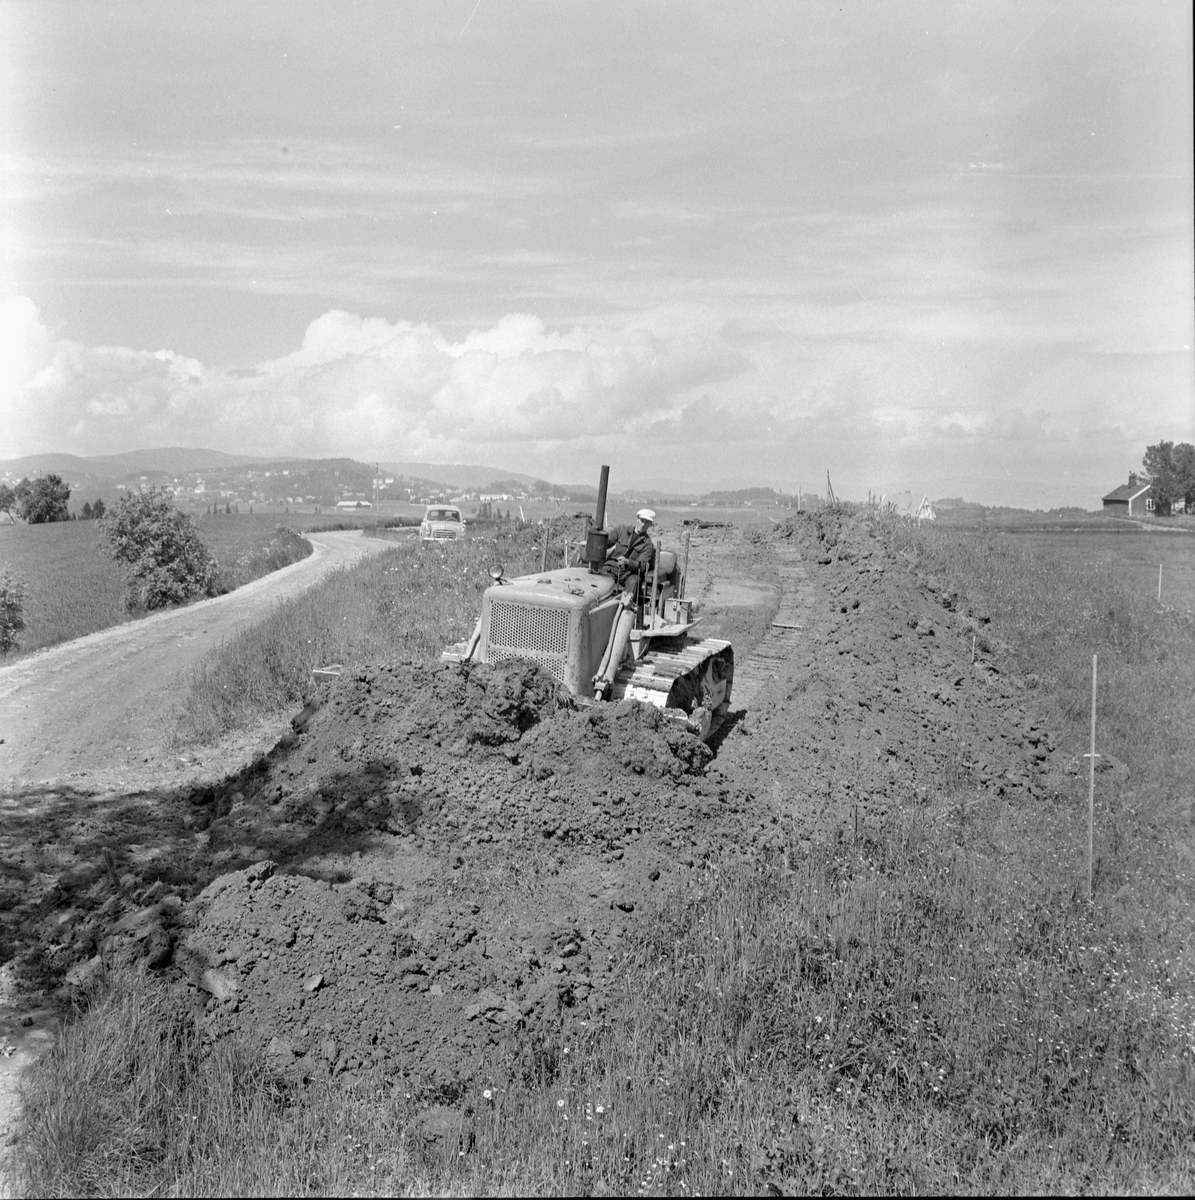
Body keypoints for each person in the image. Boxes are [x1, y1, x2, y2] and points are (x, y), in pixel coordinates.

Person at [599, 509, 656, 597]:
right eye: (642, 521)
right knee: (600, 576)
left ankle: (626, 607)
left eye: (647, 522)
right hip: (612, 568)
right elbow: (605, 543)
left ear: (650, 524)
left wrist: (628, 562)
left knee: (634, 581)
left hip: (629, 573)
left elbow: (642, 566)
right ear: (637, 519)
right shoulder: (622, 530)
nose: (643, 524)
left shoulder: (648, 544)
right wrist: (594, 544)